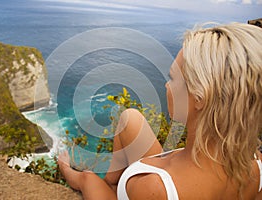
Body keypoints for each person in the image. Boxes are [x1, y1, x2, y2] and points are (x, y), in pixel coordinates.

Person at [58, 22, 262, 200]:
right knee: (130, 118)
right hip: (195, 169)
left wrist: (83, 178)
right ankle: (111, 180)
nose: (166, 86)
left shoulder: (155, 188)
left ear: (200, 98)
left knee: (88, 179)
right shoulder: (256, 165)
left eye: (173, 79)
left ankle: (71, 170)